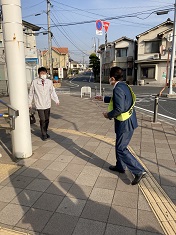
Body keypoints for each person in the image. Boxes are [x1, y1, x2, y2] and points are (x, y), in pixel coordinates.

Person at [98, 66, 146, 185]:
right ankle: (120, 166)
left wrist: (108, 115)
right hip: (129, 120)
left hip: (125, 123)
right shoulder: (124, 86)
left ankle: (139, 171)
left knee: (121, 148)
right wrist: (104, 98)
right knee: (119, 145)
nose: (109, 80)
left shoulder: (117, 88)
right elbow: (120, 100)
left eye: (109, 78)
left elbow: (119, 107)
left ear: (113, 78)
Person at [28, 67, 59, 141]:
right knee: (42, 119)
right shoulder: (35, 82)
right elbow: (31, 93)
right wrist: (29, 103)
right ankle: (43, 134)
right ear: (38, 74)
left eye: (44, 73)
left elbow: (52, 92)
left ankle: (45, 131)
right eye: (41, 73)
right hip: (39, 104)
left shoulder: (49, 82)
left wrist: (56, 100)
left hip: (47, 104)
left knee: (47, 119)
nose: (43, 75)